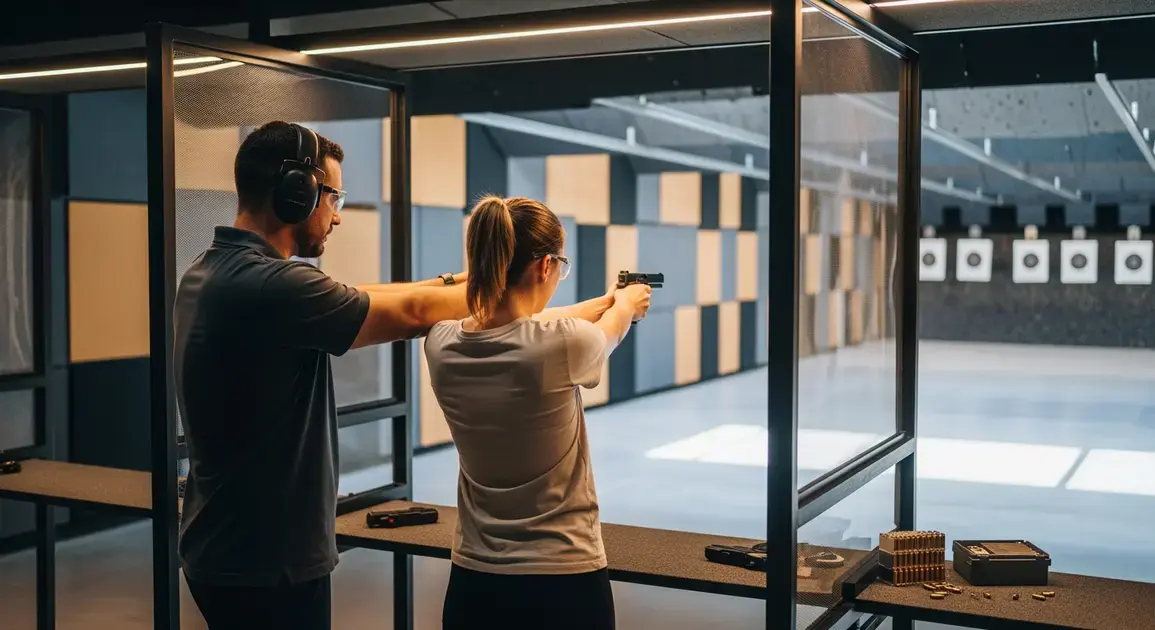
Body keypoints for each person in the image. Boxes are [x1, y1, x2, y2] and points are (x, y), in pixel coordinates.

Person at [173, 121, 471, 630]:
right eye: (333, 196)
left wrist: (446, 281)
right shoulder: (273, 285)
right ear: (296, 192)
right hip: (268, 561)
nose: (337, 215)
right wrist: (506, 284)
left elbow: (356, 292)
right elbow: (415, 311)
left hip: (228, 546)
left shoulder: (215, 268)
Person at [424, 196, 652, 630]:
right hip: (563, 578)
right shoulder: (566, 343)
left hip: (474, 579)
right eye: (559, 265)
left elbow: (525, 323)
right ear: (545, 266)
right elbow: (602, 334)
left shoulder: (440, 342)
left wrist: (604, 301)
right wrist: (625, 304)